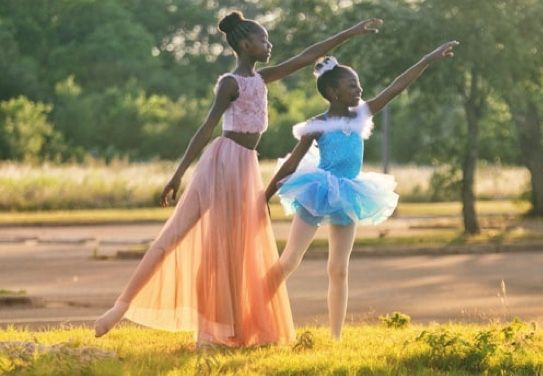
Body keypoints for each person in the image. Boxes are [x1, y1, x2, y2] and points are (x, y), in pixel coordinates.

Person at [93, 10, 383, 347]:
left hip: (246, 165)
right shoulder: (229, 83)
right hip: (222, 160)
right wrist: (178, 174)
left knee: (236, 249)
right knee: (183, 233)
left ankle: (226, 328)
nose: (269, 44)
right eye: (263, 39)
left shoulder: (263, 79)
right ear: (245, 44)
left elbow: (308, 56)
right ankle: (121, 307)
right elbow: (206, 128)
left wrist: (351, 32)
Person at [265, 40, 459, 339]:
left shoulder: (361, 116)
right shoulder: (317, 125)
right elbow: (292, 162)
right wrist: (263, 197)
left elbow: (395, 88)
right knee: (290, 260)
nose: (359, 90)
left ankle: (336, 337)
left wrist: (428, 58)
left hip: (349, 194)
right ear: (333, 92)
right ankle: (253, 309)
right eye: (352, 86)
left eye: (358, 85)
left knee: (339, 269)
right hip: (318, 191)